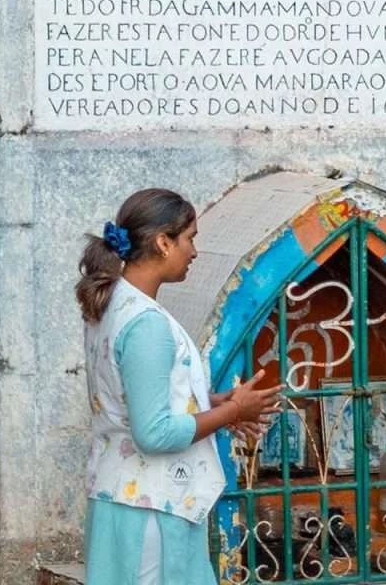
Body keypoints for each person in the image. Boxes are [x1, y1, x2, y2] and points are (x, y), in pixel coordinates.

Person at [78, 188, 281, 584]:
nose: (194, 251)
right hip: (152, 507)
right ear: (163, 242)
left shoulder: (112, 305)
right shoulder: (145, 323)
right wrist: (233, 412)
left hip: (122, 496)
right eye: (190, 238)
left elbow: (132, 396)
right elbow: (153, 433)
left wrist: (210, 403)